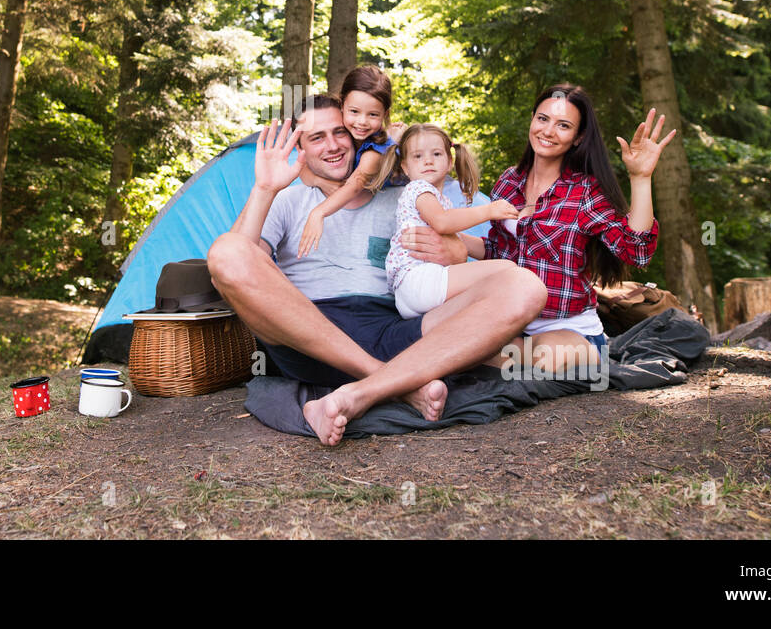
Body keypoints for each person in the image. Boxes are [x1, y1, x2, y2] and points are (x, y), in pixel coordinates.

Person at [206, 93, 548, 446]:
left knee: (525, 287)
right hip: (306, 331)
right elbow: (234, 269)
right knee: (227, 250)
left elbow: (455, 252)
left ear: (357, 134)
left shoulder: (403, 198)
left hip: (392, 331)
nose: (332, 145)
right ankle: (392, 384)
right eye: (316, 138)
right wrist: (264, 188)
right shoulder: (288, 201)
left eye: (339, 132)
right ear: (302, 150)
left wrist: (456, 252)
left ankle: (362, 391)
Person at [474, 84, 674, 375]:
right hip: (508, 322)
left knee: (535, 360)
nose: (548, 131)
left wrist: (641, 177)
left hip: (566, 331)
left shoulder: (585, 192)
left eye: (563, 125)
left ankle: (592, 354)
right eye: (542, 119)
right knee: (451, 340)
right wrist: (454, 242)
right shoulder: (508, 182)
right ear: (532, 120)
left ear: (578, 137)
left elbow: (636, 252)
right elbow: (497, 251)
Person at [378, 123, 520, 319]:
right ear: (405, 167)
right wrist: (489, 210)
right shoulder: (418, 189)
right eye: (418, 156)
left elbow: (449, 231)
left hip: (418, 289)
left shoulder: (440, 199)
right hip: (419, 280)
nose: (428, 161)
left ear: (449, 161)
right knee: (508, 270)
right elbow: (442, 222)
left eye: (436, 154)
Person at [297, 66, 404, 258]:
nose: (362, 122)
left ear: (385, 115)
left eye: (373, 115)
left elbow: (356, 184)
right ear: (342, 105)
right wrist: (322, 182)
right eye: (354, 111)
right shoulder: (346, 136)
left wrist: (318, 213)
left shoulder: (376, 148)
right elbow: (303, 171)